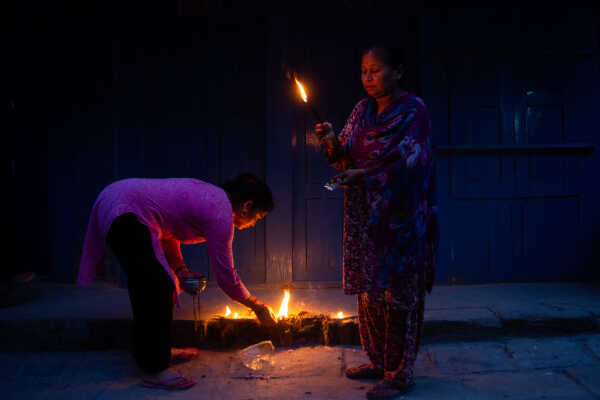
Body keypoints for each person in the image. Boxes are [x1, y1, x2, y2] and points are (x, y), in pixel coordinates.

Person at [314, 43, 440, 399]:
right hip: (364, 219)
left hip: (401, 220)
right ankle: (379, 361)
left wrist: (367, 177)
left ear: (398, 71)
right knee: (370, 293)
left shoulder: (414, 112)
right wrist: (330, 142)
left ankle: (399, 373)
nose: (368, 78)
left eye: (376, 70)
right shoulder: (362, 110)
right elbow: (343, 159)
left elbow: (411, 164)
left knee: (398, 294)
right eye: (364, 71)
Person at [77, 173, 277, 390]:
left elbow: (168, 231)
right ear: (247, 206)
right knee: (154, 286)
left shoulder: (214, 199)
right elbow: (226, 277)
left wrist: (181, 272)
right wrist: (256, 306)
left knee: (161, 282)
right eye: (258, 218)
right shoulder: (221, 213)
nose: (254, 224)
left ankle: (156, 352)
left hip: (122, 201)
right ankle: (154, 369)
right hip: (123, 208)